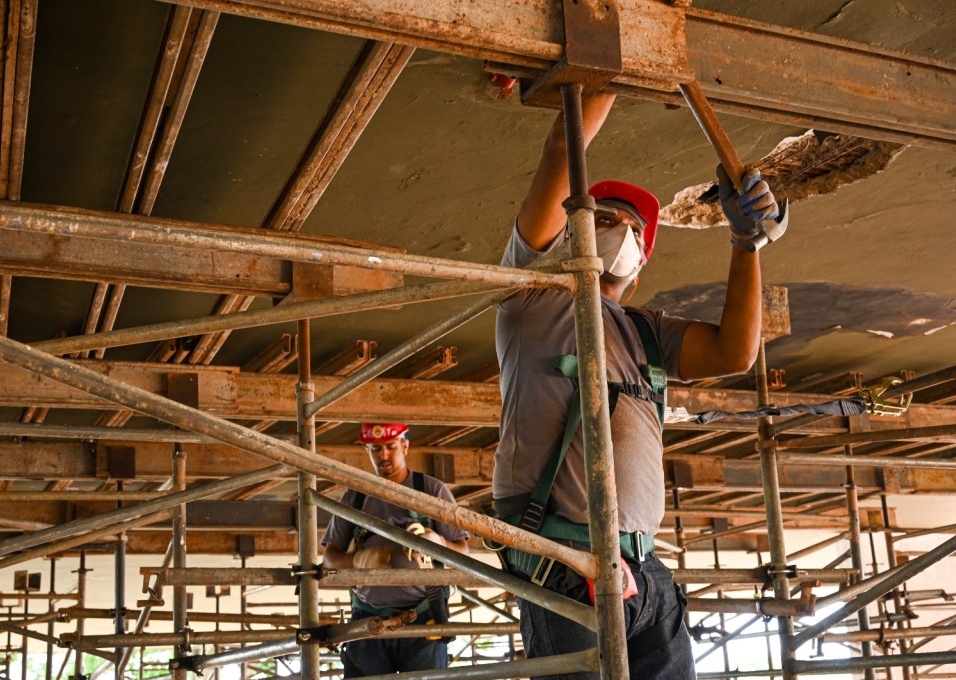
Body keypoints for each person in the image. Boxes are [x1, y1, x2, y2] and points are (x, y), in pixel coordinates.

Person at [493, 93, 787, 678]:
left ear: (643, 256)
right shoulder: (536, 300)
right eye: (601, 219)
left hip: (645, 568)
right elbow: (560, 148)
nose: (617, 231)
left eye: (630, 228)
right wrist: (611, 62)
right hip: (565, 560)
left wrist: (746, 245)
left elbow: (734, 351)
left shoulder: (647, 333)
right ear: (572, 231)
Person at [322, 422, 470, 676]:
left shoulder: (431, 490)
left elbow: (463, 553)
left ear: (405, 445)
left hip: (424, 617)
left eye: (391, 447)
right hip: (367, 617)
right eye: (375, 449)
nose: (384, 455)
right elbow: (330, 559)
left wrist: (438, 544)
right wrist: (360, 559)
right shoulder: (355, 497)